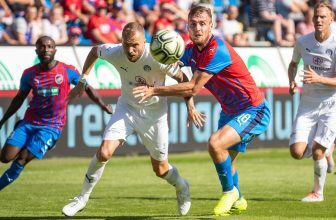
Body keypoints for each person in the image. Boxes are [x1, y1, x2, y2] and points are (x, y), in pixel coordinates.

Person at [133, 5, 271, 216]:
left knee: (215, 144)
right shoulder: (191, 51)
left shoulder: (217, 50)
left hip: (253, 109)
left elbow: (192, 87)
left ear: (211, 26)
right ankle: (239, 198)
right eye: (193, 24)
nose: (198, 28)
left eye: (202, 24)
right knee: (226, 160)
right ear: (188, 26)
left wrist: (154, 90)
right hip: (230, 111)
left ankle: (228, 192)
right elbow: (172, 65)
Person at [62, 22, 204, 217]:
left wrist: (190, 105)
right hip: (126, 108)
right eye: (126, 44)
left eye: (135, 44)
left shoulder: (158, 56)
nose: (130, 49)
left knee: (161, 169)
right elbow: (95, 51)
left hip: (155, 116)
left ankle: (181, 186)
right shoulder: (115, 51)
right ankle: (82, 198)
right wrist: (82, 80)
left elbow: (184, 81)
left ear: (144, 42)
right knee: (104, 152)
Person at [0, 36, 112, 191]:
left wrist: (102, 105)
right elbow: (19, 98)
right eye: (42, 47)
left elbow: (87, 88)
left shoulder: (67, 71)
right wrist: (3, 120)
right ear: (36, 50)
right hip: (28, 123)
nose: (46, 50)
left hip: (51, 127)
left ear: (55, 50)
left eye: (50, 46)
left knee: (22, 158)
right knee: (5, 157)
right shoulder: (29, 74)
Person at [287, 2, 336, 202]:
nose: (318, 20)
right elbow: (293, 64)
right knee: (296, 152)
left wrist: (319, 79)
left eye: (323, 17)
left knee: (317, 151)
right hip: (307, 103)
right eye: (316, 16)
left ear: (331, 19)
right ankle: (327, 149)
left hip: (331, 104)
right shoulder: (303, 41)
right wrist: (291, 80)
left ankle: (318, 193)